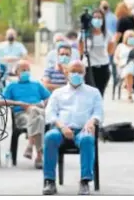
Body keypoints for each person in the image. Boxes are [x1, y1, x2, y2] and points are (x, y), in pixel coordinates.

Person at [42, 60, 103, 195]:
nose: (76, 74)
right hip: (61, 129)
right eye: (73, 71)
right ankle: (50, 181)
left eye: (80, 72)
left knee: (87, 139)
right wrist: (62, 127)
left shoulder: (93, 92)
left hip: (82, 130)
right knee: (50, 137)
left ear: (85, 73)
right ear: (66, 73)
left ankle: (85, 182)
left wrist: (92, 121)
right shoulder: (58, 93)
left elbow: (98, 112)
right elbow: (50, 113)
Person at [0, 60, 51, 168]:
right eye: (23, 70)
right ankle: (39, 157)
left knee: (35, 111)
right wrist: (19, 103)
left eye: (28, 70)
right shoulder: (11, 86)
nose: (26, 72)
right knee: (39, 118)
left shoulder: (36, 84)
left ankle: (30, 144)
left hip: (38, 110)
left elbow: (49, 97)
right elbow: (2, 101)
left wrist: (42, 104)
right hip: (21, 115)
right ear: (16, 72)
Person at [78, 9, 113, 97]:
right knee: (90, 91)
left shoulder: (107, 34)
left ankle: (98, 109)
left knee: (100, 93)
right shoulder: (85, 33)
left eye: (99, 17)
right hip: (89, 66)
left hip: (103, 66)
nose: (97, 19)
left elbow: (110, 51)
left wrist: (114, 43)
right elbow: (81, 50)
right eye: (95, 17)